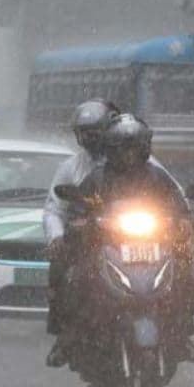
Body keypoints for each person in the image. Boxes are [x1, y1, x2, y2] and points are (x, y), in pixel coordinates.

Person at [65, 113, 194, 365]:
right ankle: (72, 339)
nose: (129, 155)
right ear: (111, 150)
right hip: (108, 248)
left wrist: (183, 220)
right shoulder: (98, 178)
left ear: (144, 148)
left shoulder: (157, 176)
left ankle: (182, 334)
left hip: (155, 247)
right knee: (75, 279)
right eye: (123, 149)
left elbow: (178, 203)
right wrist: (80, 223)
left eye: (134, 148)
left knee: (192, 278)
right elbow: (78, 208)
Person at [43, 99, 120, 367]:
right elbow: (54, 209)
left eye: (94, 132)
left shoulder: (139, 161)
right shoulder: (71, 168)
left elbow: (170, 190)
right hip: (91, 243)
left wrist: (181, 219)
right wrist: (56, 237)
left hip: (139, 243)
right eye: (84, 133)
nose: (89, 139)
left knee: (187, 275)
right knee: (69, 278)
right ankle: (65, 336)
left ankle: (180, 331)